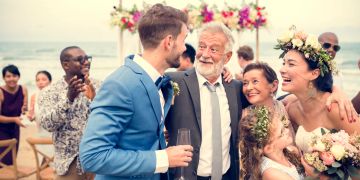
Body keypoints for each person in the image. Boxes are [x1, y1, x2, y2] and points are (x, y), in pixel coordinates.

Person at [79, 4, 193, 180]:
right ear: (169, 42)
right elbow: (92, 156)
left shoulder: (159, 80)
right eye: (183, 39)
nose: (185, 48)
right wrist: (163, 158)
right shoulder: (121, 84)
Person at [165, 22, 246, 180]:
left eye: (214, 49)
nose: (205, 54)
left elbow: (264, 97)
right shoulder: (173, 81)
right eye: (202, 46)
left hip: (227, 175)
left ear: (227, 57)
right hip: (185, 176)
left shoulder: (236, 88)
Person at [276, 28, 360, 177]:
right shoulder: (292, 109)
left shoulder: (336, 110)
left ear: (314, 73)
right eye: (284, 63)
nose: (282, 69)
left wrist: (324, 177)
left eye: (291, 64)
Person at [39, 46, 100, 180]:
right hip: (69, 165)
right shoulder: (49, 92)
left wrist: (95, 99)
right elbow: (47, 125)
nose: (86, 62)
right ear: (66, 65)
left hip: (99, 160)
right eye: (80, 59)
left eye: (87, 58)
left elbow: (109, 117)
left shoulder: (100, 86)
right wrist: (69, 99)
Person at [240, 105, 302, 180]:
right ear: (269, 148)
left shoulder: (289, 151)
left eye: (284, 125)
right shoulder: (272, 174)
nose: (287, 130)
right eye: (282, 132)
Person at [0, 64, 27, 165]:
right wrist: (14, 119)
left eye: (14, 76)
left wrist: (24, 110)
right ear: (3, 78)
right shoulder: (1, 92)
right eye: (8, 76)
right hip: (1, 130)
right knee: (3, 160)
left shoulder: (23, 89)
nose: (11, 79)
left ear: (18, 77)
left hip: (15, 129)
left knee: (12, 159)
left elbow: (24, 110)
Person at [27, 70, 54, 163]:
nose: (40, 82)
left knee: (53, 162)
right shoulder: (34, 96)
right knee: (41, 161)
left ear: (50, 81)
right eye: (38, 80)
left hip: (53, 134)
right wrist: (30, 116)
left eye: (44, 79)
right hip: (40, 133)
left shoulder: (55, 95)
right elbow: (31, 116)